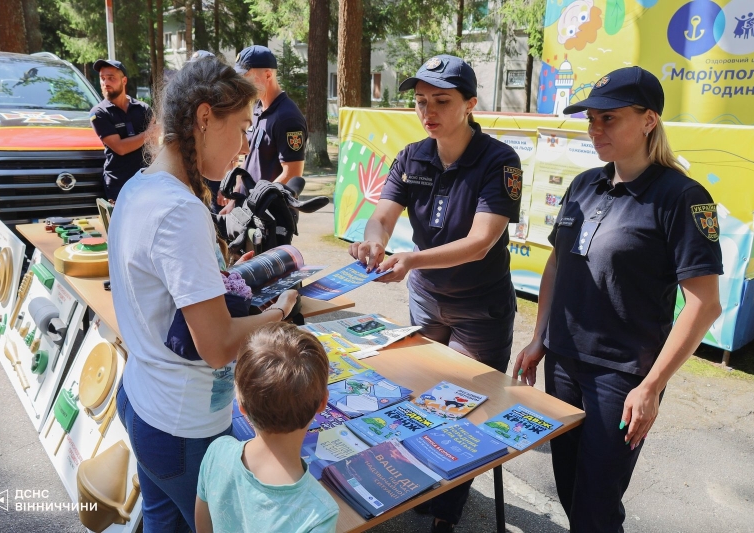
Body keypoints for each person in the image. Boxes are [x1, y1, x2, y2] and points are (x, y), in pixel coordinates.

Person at [513, 66, 723, 532]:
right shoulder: (584, 184)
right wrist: (539, 337)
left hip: (623, 377)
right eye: (591, 119)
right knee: (569, 493)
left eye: (609, 119)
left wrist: (650, 386)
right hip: (564, 362)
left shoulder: (682, 197)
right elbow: (557, 263)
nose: (595, 129)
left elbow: (704, 304)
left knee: (596, 505)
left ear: (649, 120)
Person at [108, 56, 298, 532]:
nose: (242, 148)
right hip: (182, 424)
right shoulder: (178, 209)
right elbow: (215, 347)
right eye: (240, 129)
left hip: (145, 400)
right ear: (205, 117)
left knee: (162, 522)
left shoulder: (141, 187)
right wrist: (276, 314)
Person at [348, 54, 523, 533]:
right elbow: (382, 214)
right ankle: (424, 481)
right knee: (421, 394)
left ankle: (447, 511)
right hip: (426, 297)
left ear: (470, 104)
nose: (428, 111)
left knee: (466, 404)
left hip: (479, 306)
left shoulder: (499, 160)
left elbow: (481, 241)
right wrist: (375, 241)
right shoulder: (412, 155)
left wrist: (410, 260)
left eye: (441, 101)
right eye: (421, 101)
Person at [195, 322, 339, 533]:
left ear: (241, 406)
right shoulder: (318, 513)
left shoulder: (218, 451)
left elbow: (203, 526)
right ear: (323, 403)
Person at [217, 45, 306, 214]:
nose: (241, 83)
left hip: (271, 216)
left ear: (268, 75)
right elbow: (249, 161)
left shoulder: (287, 117)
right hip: (249, 210)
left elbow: (292, 173)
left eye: (246, 77)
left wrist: (254, 202)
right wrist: (236, 200)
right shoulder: (257, 108)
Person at [89, 59, 152, 202]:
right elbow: (120, 147)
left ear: (124, 81)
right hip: (119, 184)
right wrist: (148, 134)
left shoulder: (143, 109)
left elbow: (154, 145)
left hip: (146, 181)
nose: (105, 83)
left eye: (111, 78)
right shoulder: (98, 113)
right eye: (102, 78)